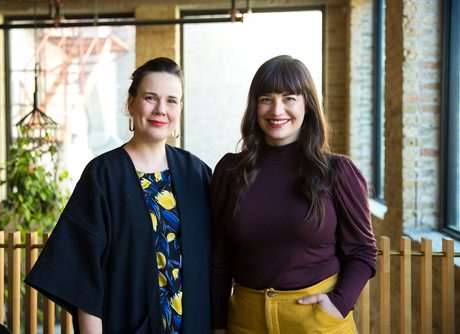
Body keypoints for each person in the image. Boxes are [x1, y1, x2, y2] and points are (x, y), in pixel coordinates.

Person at [25, 57, 212, 334]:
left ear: (180, 108)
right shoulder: (103, 176)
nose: (161, 109)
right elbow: (84, 279)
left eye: (171, 100)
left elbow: (233, 248)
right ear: (131, 103)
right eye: (150, 97)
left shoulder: (196, 174)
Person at [210, 55, 377, 334]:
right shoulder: (230, 170)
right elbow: (219, 258)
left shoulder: (338, 171)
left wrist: (338, 304)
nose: (277, 110)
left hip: (317, 321)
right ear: (254, 105)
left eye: (289, 98)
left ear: (307, 104)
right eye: (266, 98)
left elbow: (363, 251)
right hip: (245, 321)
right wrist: (218, 325)